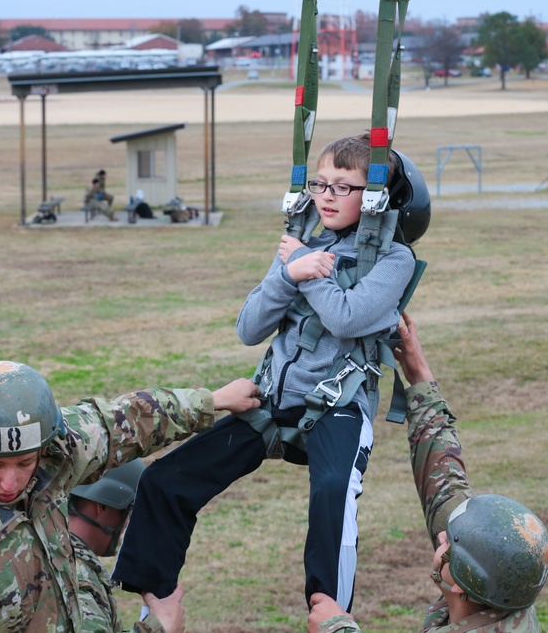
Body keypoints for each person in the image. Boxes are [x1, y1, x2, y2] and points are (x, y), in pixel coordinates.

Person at [114, 133, 431, 611]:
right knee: (164, 480)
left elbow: (347, 317)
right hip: (271, 402)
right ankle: (157, 596)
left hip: (337, 407)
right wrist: (288, 273)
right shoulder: (298, 244)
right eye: (321, 184)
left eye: (344, 187)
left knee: (333, 494)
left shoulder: (394, 260)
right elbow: (249, 327)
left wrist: (306, 269)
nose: (326, 195)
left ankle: (328, 610)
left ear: (376, 197)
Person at [0, 360, 260, 632]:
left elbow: (118, 423)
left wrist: (212, 401)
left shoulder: (51, 459)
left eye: (24, 462)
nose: (11, 483)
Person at [307, 312, 548, 633]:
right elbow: (446, 485)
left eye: (448, 544)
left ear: (462, 585)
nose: (440, 537)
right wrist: (421, 380)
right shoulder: (502, 591)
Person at [70, 459, 186, 633]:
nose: (128, 522)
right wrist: (160, 627)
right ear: (101, 506)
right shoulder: (74, 578)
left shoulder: (50, 554)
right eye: (128, 509)